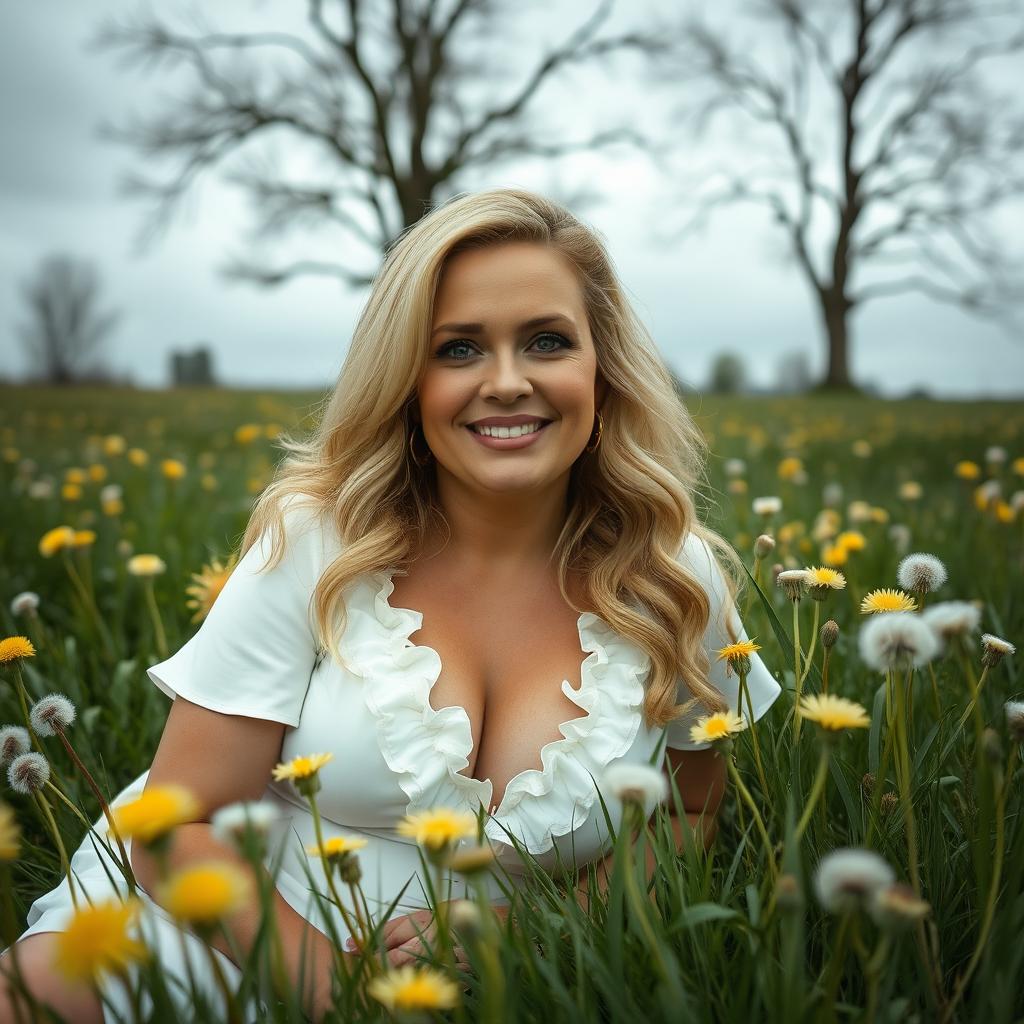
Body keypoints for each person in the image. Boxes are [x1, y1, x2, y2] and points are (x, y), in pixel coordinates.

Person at [0, 187, 781, 1023]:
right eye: (459, 349)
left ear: (603, 368)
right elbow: (174, 821)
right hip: (242, 933)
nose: (508, 382)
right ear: (407, 377)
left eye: (548, 341)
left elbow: (691, 810)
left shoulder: (670, 575)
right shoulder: (319, 543)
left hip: (520, 982)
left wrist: (549, 933)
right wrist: (335, 987)